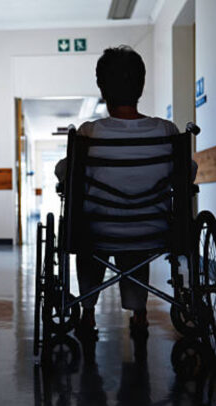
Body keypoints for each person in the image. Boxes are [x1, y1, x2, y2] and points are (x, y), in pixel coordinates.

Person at [55, 45, 196, 340]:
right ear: (141, 87)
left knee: (87, 239)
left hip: (99, 230)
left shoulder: (89, 133)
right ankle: (139, 313)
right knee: (135, 246)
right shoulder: (166, 130)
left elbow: (65, 173)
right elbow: (188, 174)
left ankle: (88, 311)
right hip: (153, 230)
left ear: (102, 89)